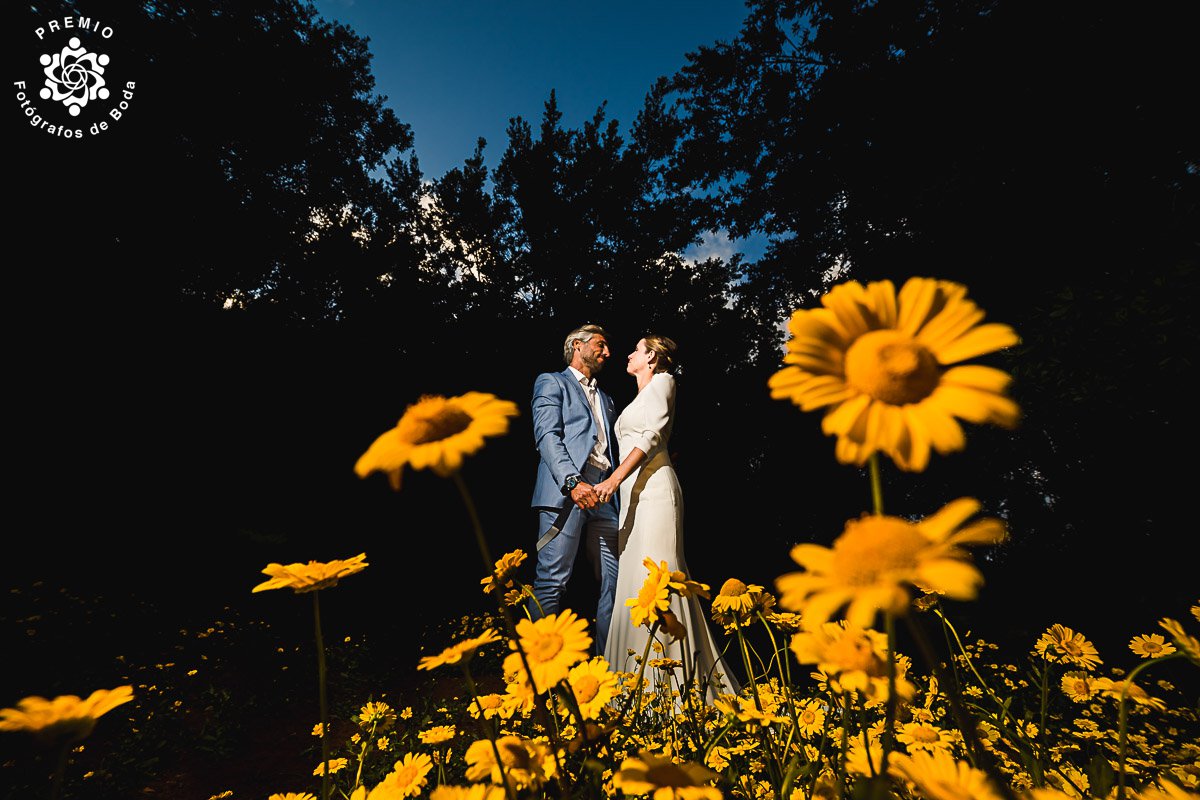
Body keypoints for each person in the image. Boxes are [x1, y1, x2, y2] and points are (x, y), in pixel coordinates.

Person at [593, 335, 739, 699]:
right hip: (631, 497)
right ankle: (633, 686)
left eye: (636, 350)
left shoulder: (664, 381)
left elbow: (653, 437)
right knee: (632, 581)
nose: (627, 354)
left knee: (660, 577)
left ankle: (676, 688)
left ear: (653, 358)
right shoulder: (637, 396)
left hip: (655, 493)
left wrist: (613, 478)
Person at [528, 324, 621, 653]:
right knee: (553, 580)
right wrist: (572, 482)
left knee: (617, 582)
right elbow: (547, 437)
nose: (607, 353)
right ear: (577, 345)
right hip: (567, 490)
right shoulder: (551, 382)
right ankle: (536, 680)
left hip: (606, 495)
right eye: (601, 344)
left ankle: (609, 667)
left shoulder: (607, 399)